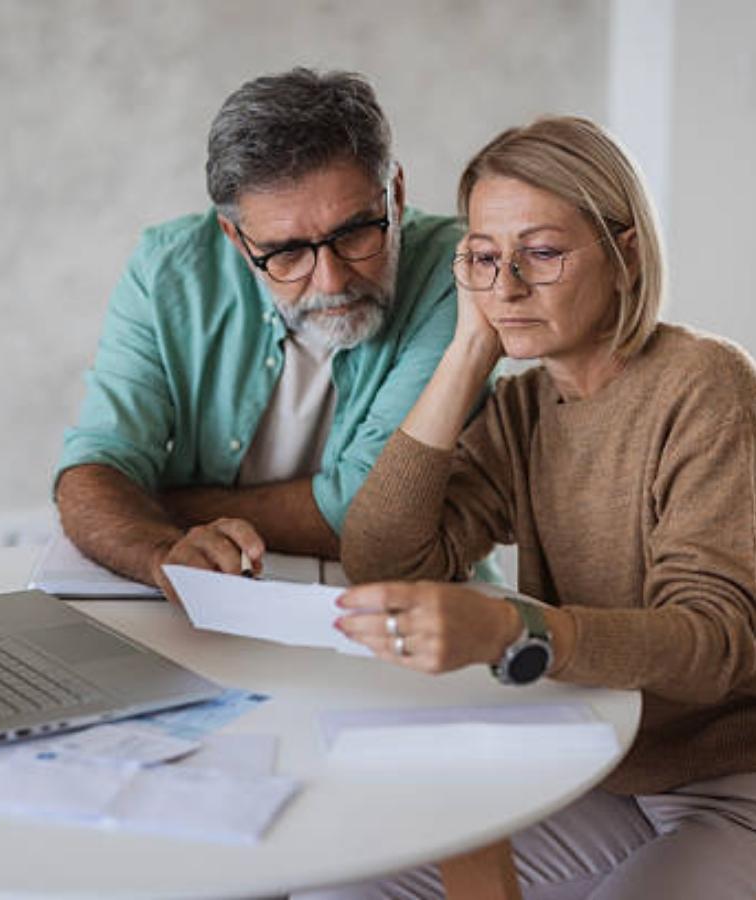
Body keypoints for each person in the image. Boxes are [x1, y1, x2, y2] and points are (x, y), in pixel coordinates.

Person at [314, 116, 756, 898]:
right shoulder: (524, 409)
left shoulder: (706, 385)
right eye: (485, 259)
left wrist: (522, 630)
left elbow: (715, 643)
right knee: (342, 887)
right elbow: (382, 555)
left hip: (730, 784)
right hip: (601, 769)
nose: (508, 286)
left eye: (541, 253)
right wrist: (467, 351)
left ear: (624, 254)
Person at [54, 67, 498, 594]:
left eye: (355, 232)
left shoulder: (459, 273)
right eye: (287, 253)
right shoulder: (165, 270)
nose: (331, 280)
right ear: (236, 239)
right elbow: (98, 465)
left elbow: (369, 511)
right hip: (222, 603)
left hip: (416, 610)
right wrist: (160, 554)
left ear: (395, 195)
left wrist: (158, 503)